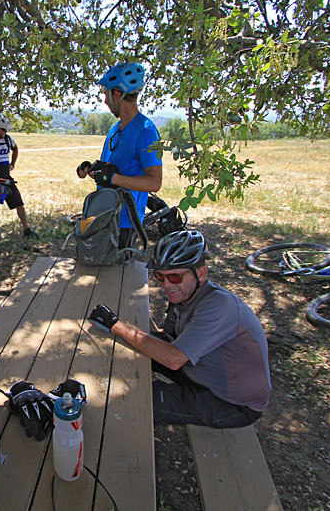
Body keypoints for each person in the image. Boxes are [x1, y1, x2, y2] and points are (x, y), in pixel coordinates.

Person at [88, 230, 271, 428]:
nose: (166, 285)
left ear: (201, 273)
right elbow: (167, 338)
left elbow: (173, 359)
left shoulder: (219, 307)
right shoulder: (188, 295)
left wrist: (115, 323)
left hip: (233, 404)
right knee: (127, 347)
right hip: (201, 371)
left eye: (175, 277)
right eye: (160, 276)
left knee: (135, 402)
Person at [77, 61, 163, 248]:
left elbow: (154, 183)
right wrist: (92, 169)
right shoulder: (115, 129)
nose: (105, 101)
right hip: (104, 215)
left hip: (125, 223)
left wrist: (114, 178)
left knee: (117, 275)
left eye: (106, 95)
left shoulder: (146, 131)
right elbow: (110, 171)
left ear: (117, 94)